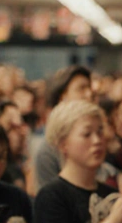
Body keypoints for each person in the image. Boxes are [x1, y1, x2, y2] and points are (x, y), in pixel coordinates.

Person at [30, 66, 95, 194]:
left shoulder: (98, 139)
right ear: (62, 96)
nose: (89, 94)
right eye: (81, 88)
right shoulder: (49, 149)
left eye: (89, 88)